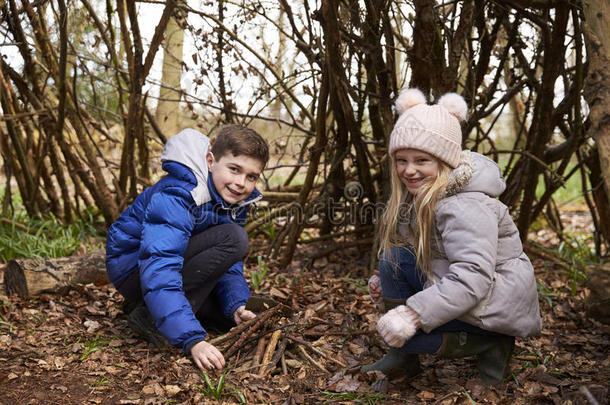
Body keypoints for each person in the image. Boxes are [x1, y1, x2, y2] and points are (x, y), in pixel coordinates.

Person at [361, 89, 542, 384]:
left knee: (408, 336)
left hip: (493, 308)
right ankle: (402, 359)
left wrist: (412, 315)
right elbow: (431, 256)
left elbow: (473, 278)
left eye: (421, 160)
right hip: (467, 294)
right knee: (394, 259)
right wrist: (391, 283)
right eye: (402, 160)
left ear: (444, 161)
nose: (409, 170)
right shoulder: (424, 194)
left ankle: (493, 344)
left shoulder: (465, 206)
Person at [105, 125, 269, 371]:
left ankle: (153, 308)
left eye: (251, 177)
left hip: (174, 266)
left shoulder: (232, 201)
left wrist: (237, 303)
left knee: (228, 319)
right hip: (135, 269)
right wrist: (192, 339)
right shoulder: (180, 193)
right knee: (235, 238)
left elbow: (226, 262)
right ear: (210, 161)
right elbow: (160, 263)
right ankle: (148, 317)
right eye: (234, 169)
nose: (240, 183)